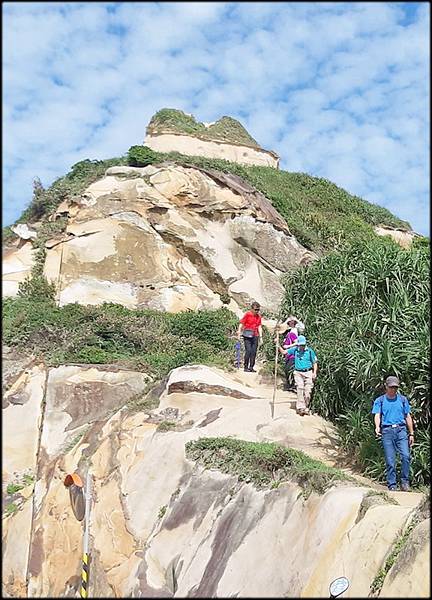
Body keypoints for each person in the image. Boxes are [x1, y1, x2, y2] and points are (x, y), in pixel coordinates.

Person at [372, 375, 414, 491]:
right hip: (387, 431)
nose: (393, 389)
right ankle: (392, 485)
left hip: (401, 430)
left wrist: (411, 433)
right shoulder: (380, 401)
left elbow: (408, 416)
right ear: (386, 387)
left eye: (395, 387)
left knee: (406, 456)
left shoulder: (402, 400)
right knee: (390, 460)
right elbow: (377, 415)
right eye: (391, 387)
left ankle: (405, 482)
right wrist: (377, 427)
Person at [279, 335, 317, 415]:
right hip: (298, 372)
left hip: (308, 372)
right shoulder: (295, 350)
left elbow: (314, 362)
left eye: (303, 345)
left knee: (308, 391)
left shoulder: (310, 351)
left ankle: (306, 406)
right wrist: (277, 345)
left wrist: (314, 372)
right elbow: (284, 352)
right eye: (300, 345)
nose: (301, 346)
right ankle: (300, 408)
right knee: (300, 388)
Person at [237, 302, 263, 372]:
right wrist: (239, 332)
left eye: (258, 310)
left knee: (254, 352)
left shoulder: (258, 316)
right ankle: (245, 367)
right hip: (247, 335)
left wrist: (261, 337)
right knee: (248, 351)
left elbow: (259, 326)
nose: (257, 311)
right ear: (252, 309)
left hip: (255, 335)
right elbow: (241, 323)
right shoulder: (248, 314)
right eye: (255, 309)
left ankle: (251, 367)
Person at [281, 317, 298, 391]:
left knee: (288, 369)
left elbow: (297, 342)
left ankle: (292, 385)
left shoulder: (292, 333)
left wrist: (288, 346)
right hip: (288, 355)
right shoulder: (288, 335)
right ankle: (290, 385)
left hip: (292, 355)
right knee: (286, 370)